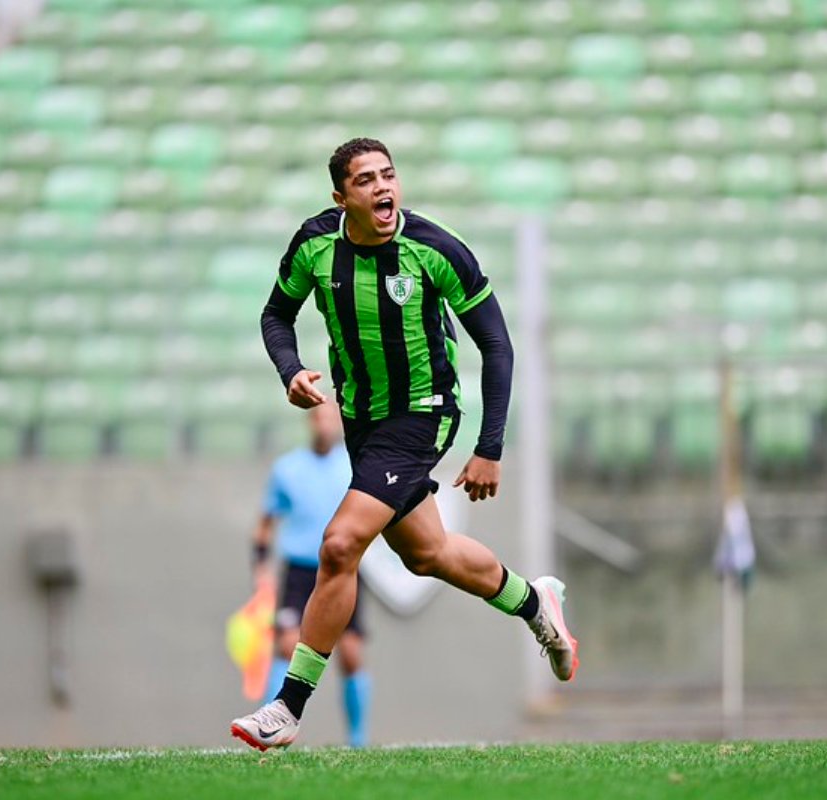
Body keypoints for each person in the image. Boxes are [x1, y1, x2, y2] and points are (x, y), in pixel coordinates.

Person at [231, 138, 578, 751]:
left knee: (340, 545)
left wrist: (488, 446)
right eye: (365, 181)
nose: (382, 188)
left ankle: (288, 707)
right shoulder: (315, 244)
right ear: (342, 198)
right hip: (363, 420)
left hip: (423, 413)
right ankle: (535, 603)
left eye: (388, 175)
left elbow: (496, 345)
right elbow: (275, 314)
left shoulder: (435, 249)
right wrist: (291, 370)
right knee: (427, 553)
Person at [252, 402, 371, 747]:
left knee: (350, 653)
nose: (326, 424)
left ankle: (357, 740)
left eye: (333, 417)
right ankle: (271, 728)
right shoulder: (287, 469)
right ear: (311, 421)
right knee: (287, 645)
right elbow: (265, 523)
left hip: (345, 568)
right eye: (320, 417)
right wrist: (261, 568)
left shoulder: (355, 466)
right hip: (300, 570)